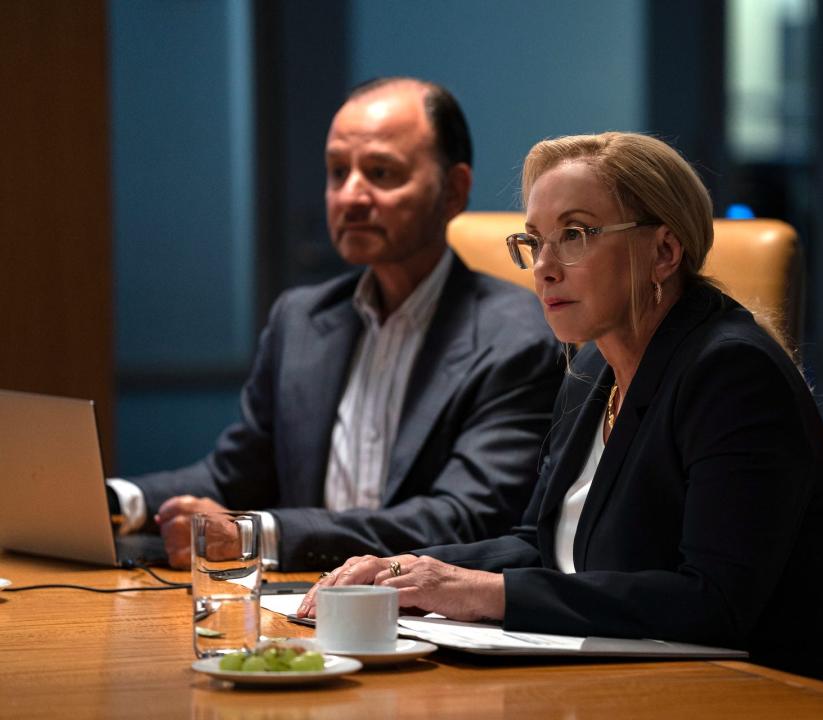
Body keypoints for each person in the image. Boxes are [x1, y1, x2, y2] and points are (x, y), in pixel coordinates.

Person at [298, 131, 823, 705]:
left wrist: (478, 592)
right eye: (535, 240)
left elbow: (713, 602)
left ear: (663, 251)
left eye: (576, 233)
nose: (545, 266)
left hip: (801, 699)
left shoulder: (732, 373)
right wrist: (406, 571)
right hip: (659, 691)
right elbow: (542, 546)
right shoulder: (594, 368)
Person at [108, 77, 563, 571]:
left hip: (419, 618)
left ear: (453, 190)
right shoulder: (301, 320)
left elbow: (464, 518)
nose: (350, 196)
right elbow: (233, 477)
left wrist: (256, 534)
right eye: (337, 172)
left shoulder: (518, 338)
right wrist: (113, 500)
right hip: (295, 608)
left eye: (381, 172)